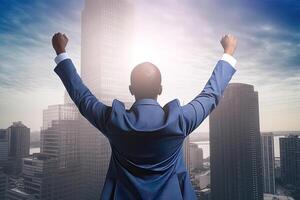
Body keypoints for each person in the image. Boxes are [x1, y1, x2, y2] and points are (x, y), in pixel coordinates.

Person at [52, 33, 237, 200]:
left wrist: (61, 51)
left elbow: (83, 98)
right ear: (160, 89)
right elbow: (210, 95)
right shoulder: (179, 121)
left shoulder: (115, 121)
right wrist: (228, 52)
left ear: (131, 90)